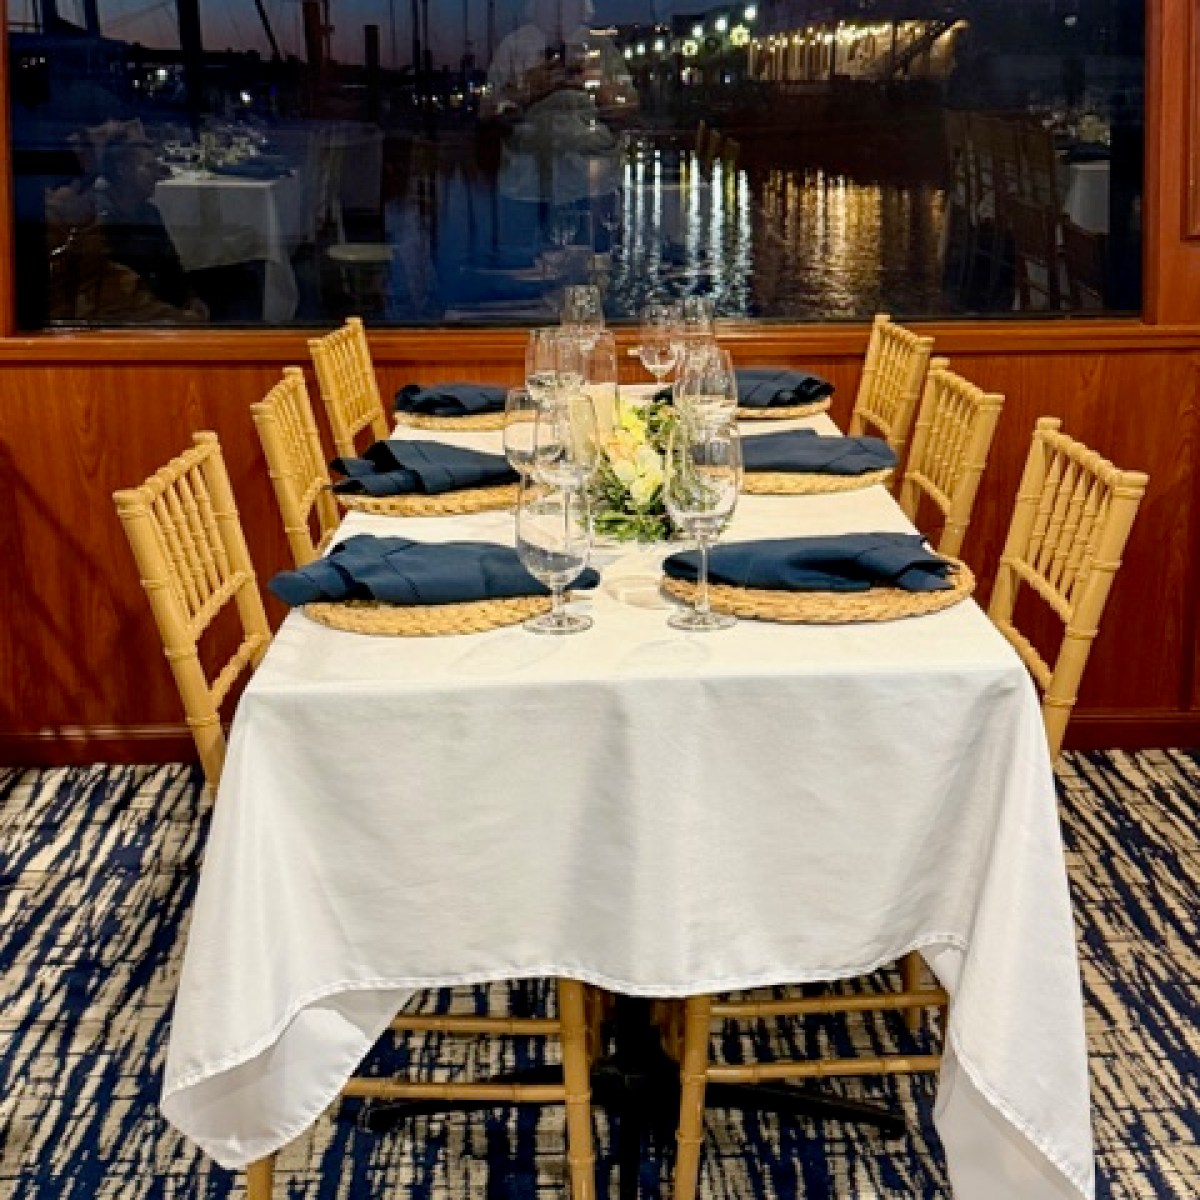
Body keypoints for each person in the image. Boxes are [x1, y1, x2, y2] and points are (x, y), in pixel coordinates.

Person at [481, 0, 637, 262]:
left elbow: (628, 109)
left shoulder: (602, 48)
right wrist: (530, 86)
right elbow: (488, 114)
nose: (559, 10)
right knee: (524, 271)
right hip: (526, 186)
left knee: (595, 270)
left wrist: (594, 82)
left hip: (591, 186)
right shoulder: (513, 47)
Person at [95, 126, 208, 321]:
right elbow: (120, 294)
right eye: (149, 167)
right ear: (122, 170)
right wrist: (178, 318)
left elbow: (171, 268)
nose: (157, 175)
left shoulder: (149, 213)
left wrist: (190, 299)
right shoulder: (103, 221)